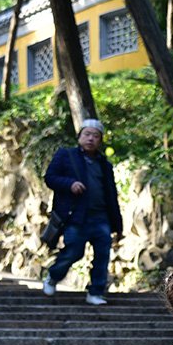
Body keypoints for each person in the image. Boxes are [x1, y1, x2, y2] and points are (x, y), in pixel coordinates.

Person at [42, 119, 122, 306]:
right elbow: (50, 178)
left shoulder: (104, 164)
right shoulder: (65, 155)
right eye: (87, 134)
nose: (91, 139)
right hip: (76, 216)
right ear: (79, 136)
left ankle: (95, 292)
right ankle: (53, 276)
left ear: (100, 140)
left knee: (103, 255)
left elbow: (112, 195)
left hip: (101, 217)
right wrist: (69, 184)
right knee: (73, 252)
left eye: (96, 136)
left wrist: (118, 226)